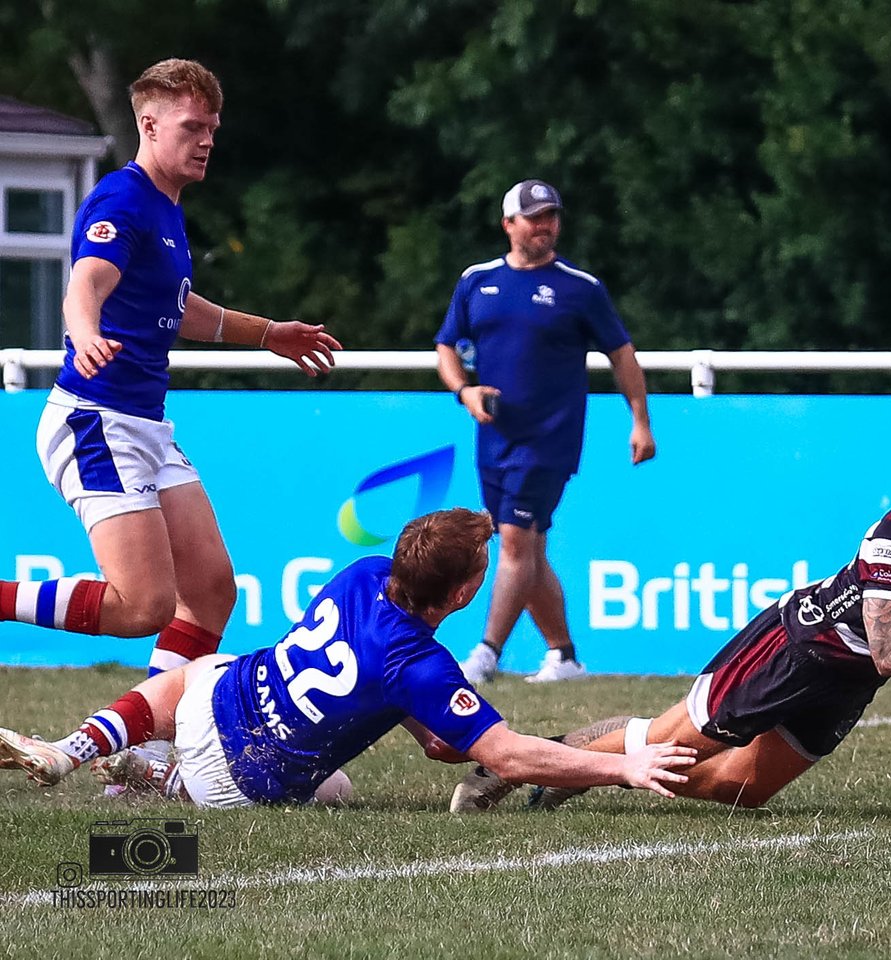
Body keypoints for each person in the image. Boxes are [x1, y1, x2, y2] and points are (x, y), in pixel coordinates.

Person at [447, 415, 891, 813]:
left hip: (851, 679)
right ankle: (527, 761)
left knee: (741, 790)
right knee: (672, 746)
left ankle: (569, 768)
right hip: (799, 647)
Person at [0, 59, 341, 765]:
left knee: (211, 590)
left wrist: (268, 333)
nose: (207, 139)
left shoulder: (165, 208)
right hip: (94, 420)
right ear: (149, 125)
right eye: (192, 126)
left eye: (212, 127)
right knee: (142, 607)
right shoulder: (123, 200)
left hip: (145, 427)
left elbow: (181, 308)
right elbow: (84, 284)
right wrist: (84, 332)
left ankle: (145, 756)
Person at [0, 508, 695, 807]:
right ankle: (165, 779)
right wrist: (624, 768)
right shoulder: (420, 666)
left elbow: (393, 695)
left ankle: (72, 747)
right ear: (460, 594)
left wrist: (430, 719)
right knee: (336, 792)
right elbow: (505, 756)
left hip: (219, 697)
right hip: (245, 782)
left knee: (194, 675)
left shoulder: (363, 573)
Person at [435, 179, 656, 685]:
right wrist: (465, 391)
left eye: (551, 216)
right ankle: (565, 656)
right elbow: (446, 345)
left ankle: (486, 656)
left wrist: (640, 420)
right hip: (494, 440)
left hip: (549, 439)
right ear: (508, 224)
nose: (545, 226)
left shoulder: (580, 287)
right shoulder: (477, 281)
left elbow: (622, 355)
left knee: (515, 541)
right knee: (527, 550)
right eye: (534, 217)